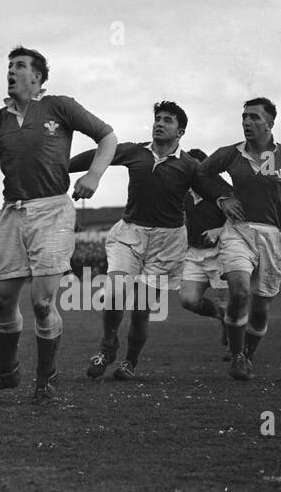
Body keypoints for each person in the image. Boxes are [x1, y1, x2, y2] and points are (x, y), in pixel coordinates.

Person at [0, 46, 117, 404]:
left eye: (20, 66)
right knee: (4, 298)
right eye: (9, 65)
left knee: (41, 301)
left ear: (37, 76)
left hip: (52, 209)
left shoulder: (59, 106)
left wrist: (95, 175)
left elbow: (107, 136)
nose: (11, 70)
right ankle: (6, 373)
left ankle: (45, 380)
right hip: (12, 211)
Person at [70, 101, 222, 381]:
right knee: (115, 293)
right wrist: (63, 167)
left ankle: (129, 363)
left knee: (141, 309)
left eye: (168, 120)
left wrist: (230, 199)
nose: (160, 123)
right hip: (129, 233)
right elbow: (98, 153)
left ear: (181, 131)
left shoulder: (190, 166)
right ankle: (107, 347)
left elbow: (214, 189)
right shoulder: (134, 151)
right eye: (157, 118)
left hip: (167, 242)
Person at [197, 97, 281, 381]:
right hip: (238, 231)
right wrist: (223, 198)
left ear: (270, 124)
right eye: (244, 116)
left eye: (254, 117)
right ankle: (236, 356)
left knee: (260, 306)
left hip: (273, 236)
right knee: (240, 292)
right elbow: (202, 173)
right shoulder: (230, 153)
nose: (247, 121)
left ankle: (248, 355)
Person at [177, 149, 232, 356]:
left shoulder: (222, 191)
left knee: (229, 305)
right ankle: (220, 316)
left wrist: (219, 230)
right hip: (195, 254)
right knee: (188, 300)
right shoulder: (185, 195)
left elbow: (242, 217)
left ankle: (236, 351)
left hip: (221, 253)